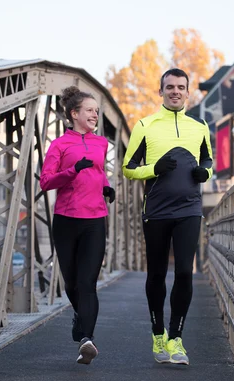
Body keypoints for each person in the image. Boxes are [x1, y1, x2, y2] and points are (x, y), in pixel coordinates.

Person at [122, 68, 212, 365]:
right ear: (160, 92)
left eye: (181, 87)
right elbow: (128, 167)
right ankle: (157, 333)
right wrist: (154, 169)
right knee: (157, 273)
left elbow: (208, 160)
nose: (175, 91)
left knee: (185, 271)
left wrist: (205, 173)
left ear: (188, 92)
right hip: (157, 210)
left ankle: (176, 339)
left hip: (189, 209)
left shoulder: (199, 127)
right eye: (170, 87)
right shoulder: (145, 126)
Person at [39, 86, 115, 365]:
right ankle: (79, 319)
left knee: (87, 283)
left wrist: (106, 187)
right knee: (71, 283)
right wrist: (73, 170)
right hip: (67, 220)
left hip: (95, 219)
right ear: (74, 114)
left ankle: (87, 340)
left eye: (97, 110)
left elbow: (98, 174)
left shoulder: (101, 143)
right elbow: (46, 181)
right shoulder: (59, 145)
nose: (95, 114)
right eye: (90, 110)